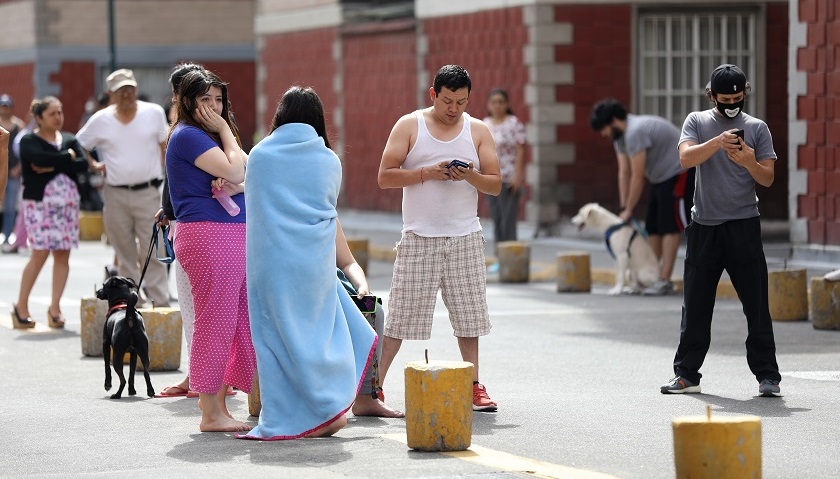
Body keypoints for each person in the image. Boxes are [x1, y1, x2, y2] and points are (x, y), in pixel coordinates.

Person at [239, 86, 378, 441]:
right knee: (315, 339)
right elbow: (326, 211)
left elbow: (255, 206)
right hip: (313, 268)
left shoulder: (259, 156)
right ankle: (326, 408)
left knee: (276, 343)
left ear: (280, 116)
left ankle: (293, 415)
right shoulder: (330, 161)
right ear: (318, 119)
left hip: (271, 268)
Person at [376, 64, 502, 412]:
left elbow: (495, 184)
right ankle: (374, 387)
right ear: (433, 94)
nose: (454, 109)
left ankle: (474, 384)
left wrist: (470, 176)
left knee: (469, 318)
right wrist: (427, 173)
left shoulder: (478, 130)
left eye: (461, 102)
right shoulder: (409, 125)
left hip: (465, 236)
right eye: (447, 101)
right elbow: (385, 176)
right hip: (419, 237)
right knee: (399, 317)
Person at [661, 63, 782, 397]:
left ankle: (768, 376)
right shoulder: (697, 121)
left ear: (745, 93)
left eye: (737, 98)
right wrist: (717, 142)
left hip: (744, 225)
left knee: (756, 304)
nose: (731, 105)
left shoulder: (757, 127)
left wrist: (749, 161)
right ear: (711, 95)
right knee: (696, 305)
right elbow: (686, 159)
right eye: (725, 99)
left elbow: (767, 178)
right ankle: (686, 375)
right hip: (705, 226)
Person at [165, 69, 254, 432]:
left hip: (229, 233)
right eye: (205, 100)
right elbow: (236, 167)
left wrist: (237, 178)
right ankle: (210, 412)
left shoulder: (208, 136)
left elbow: (250, 168)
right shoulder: (188, 135)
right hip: (208, 234)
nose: (214, 107)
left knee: (232, 321)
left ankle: (219, 406)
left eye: (218, 100)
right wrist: (225, 129)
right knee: (215, 321)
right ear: (187, 102)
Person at [76, 69, 170, 307]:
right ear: (111, 94)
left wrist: (168, 176)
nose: (127, 94)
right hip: (115, 193)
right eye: (121, 91)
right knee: (124, 252)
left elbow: (165, 144)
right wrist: (93, 164)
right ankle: (133, 303)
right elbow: (79, 143)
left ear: (136, 89)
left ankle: (160, 302)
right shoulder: (101, 119)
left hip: (148, 192)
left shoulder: (154, 112)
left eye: (130, 89)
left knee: (153, 248)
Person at [590, 98, 695, 295]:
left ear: (614, 121)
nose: (604, 134)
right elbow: (624, 172)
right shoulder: (619, 138)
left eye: (604, 129)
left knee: (669, 227)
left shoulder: (634, 132)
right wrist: (624, 208)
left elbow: (637, 176)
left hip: (678, 172)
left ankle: (664, 280)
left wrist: (630, 209)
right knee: (653, 228)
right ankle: (651, 277)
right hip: (658, 177)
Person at [11, 97, 88, 329]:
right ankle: (21, 307)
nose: (58, 117)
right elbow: (38, 158)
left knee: (63, 254)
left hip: (68, 205)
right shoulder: (29, 140)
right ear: (39, 118)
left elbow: (82, 164)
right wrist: (67, 158)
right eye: (52, 113)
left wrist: (52, 165)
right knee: (40, 252)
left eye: (59, 112)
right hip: (39, 205)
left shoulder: (69, 138)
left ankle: (55, 307)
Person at [154, 62, 207, 399]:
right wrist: (168, 208)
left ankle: (199, 377)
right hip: (186, 219)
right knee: (203, 307)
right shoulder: (208, 127)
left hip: (194, 225)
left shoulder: (187, 130)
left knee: (193, 307)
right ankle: (209, 375)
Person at [482, 88, 526, 263]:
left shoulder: (514, 123)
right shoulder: (484, 124)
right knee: (497, 219)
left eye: (501, 102)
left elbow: (520, 150)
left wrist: (518, 176)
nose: (497, 106)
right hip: (490, 179)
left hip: (508, 179)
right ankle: (500, 259)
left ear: (507, 104)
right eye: (494, 102)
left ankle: (511, 260)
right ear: (488, 105)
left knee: (508, 220)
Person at [1, 94, 26, 246]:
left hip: (12, 173)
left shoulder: (19, 125)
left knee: (10, 207)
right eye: (2, 106)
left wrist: (19, 168)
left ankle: (7, 236)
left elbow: (24, 151)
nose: (5, 109)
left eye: (7, 106)